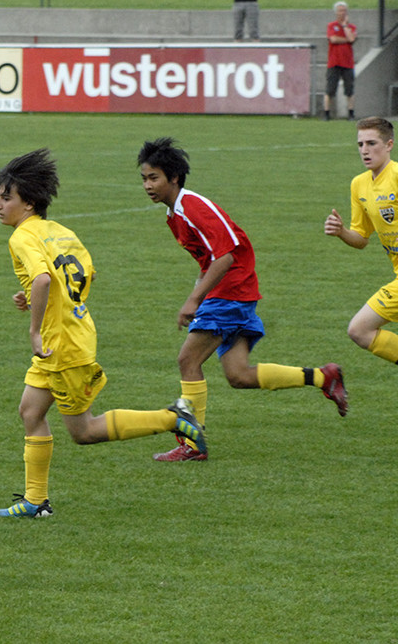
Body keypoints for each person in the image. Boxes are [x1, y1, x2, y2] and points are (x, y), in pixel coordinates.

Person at [0, 149, 206, 519]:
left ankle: (172, 418)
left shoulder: (22, 237)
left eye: (5, 197)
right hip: (73, 332)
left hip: (60, 344)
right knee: (30, 411)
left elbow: (43, 278)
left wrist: (35, 328)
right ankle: (35, 501)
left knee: (84, 431)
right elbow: (83, 274)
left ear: (27, 204)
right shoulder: (58, 231)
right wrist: (33, 297)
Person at [139, 138, 348, 462]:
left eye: (154, 178)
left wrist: (194, 300)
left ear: (174, 178)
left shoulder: (192, 206)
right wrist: (197, 296)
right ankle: (323, 376)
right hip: (234, 291)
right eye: (144, 178)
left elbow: (225, 256)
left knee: (188, 361)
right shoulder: (174, 214)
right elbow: (209, 260)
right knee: (238, 375)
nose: (148, 185)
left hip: (232, 291)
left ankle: (192, 445)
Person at [324, 116, 398, 366]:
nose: (365, 150)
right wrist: (341, 231)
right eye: (360, 144)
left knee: (360, 329)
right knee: (359, 330)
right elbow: (361, 239)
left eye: (372, 143)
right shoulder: (359, 184)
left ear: (389, 145)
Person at [324, 1, 358, 122]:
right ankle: (326, 113)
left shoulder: (351, 27)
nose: (342, 13)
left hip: (348, 63)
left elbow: (352, 39)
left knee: (349, 89)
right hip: (334, 62)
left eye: (344, 10)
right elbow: (333, 39)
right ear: (336, 12)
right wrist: (346, 40)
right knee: (330, 89)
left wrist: (345, 27)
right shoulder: (331, 26)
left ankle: (351, 113)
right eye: (340, 11)